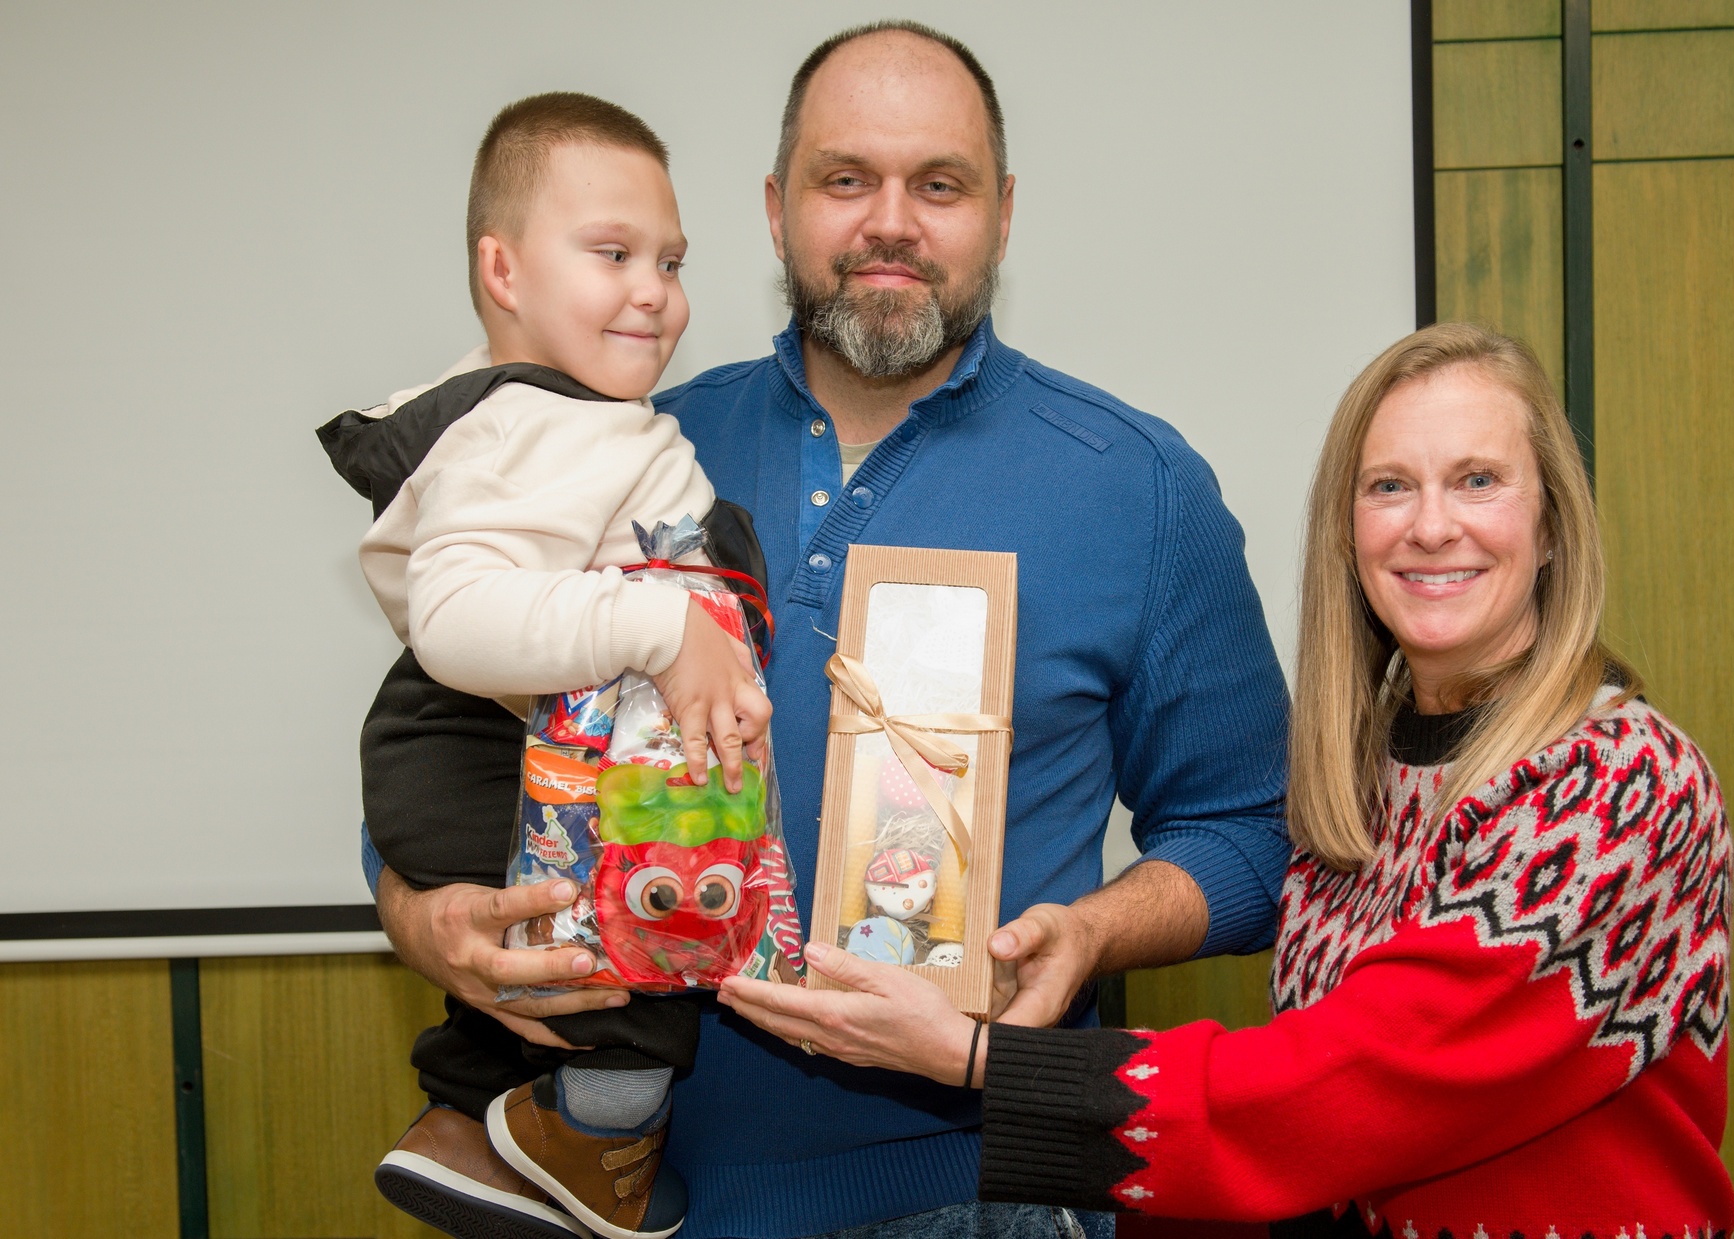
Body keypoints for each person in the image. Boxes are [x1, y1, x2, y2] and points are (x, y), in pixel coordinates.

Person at [367, 20, 1292, 1239]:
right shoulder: (616, 446)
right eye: (845, 179)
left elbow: (1249, 833)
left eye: (940, 185)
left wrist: (1091, 932)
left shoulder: (1137, 485)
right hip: (630, 1193)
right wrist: (421, 920)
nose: (889, 223)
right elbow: (445, 741)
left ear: (1003, 212)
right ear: (776, 208)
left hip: (981, 1195)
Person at [719, 323, 1734, 1239]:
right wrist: (1083, 933)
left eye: (1478, 480)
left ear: (1552, 524)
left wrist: (978, 1061)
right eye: (1389, 486)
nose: (1431, 526)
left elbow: (1338, 1098)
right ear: (1347, 529)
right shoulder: (1364, 777)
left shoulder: (1621, 786)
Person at [321, 93, 775, 1239]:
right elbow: (454, 617)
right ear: (504, 271)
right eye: (612, 253)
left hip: (493, 742)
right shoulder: (536, 423)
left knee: (551, 946)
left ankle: (465, 1128)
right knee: (634, 948)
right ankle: (597, 1141)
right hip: (483, 742)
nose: (653, 290)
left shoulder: (561, 414)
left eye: (670, 260)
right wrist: (663, 629)